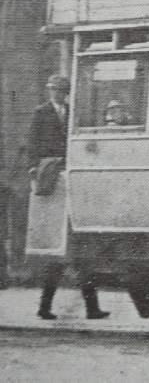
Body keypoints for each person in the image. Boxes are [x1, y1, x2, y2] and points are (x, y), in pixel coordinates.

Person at [27, 74, 109, 320]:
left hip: (72, 180)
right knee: (63, 256)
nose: (57, 93)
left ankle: (85, 309)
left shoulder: (73, 113)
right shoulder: (41, 113)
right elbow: (33, 143)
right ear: (49, 91)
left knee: (77, 257)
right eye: (54, 89)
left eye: (61, 90)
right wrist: (34, 167)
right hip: (54, 179)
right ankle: (49, 308)